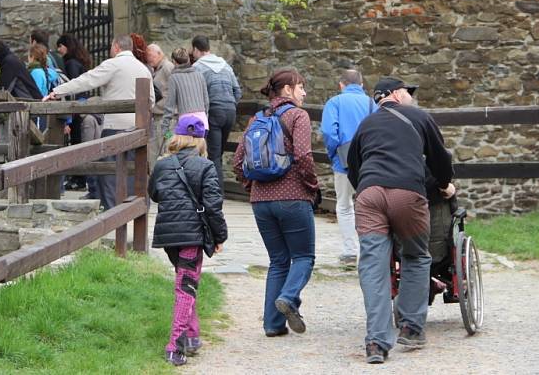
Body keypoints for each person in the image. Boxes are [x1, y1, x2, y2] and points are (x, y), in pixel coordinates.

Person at [346, 77, 455, 364]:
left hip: (368, 194)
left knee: (372, 265)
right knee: (417, 256)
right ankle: (411, 327)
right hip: (407, 193)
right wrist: (445, 184)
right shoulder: (420, 117)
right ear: (396, 94)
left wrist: (369, 188)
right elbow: (440, 160)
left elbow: (353, 169)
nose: (411, 97)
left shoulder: (366, 125)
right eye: (409, 92)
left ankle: (375, 343)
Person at [233, 69, 320, 338]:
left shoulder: (257, 118)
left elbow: (237, 162)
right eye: (300, 87)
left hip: (261, 202)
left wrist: (252, 186)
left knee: (278, 261)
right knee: (304, 257)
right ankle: (289, 298)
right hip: (293, 197)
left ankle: (272, 324)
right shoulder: (298, 115)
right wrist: (313, 186)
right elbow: (304, 155)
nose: (304, 92)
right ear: (286, 90)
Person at [149, 114, 228, 367]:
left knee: (186, 283)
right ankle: (175, 346)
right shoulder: (205, 167)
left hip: (169, 235)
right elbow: (213, 206)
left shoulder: (162, 165)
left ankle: (192, 337)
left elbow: (155, 194)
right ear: (201, 140)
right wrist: (220, 236)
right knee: (186, 287)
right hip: (192, 235)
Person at [44, 34, 155, 210]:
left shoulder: (113, 64)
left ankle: (114, 214)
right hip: (138, 128)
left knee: (109, 174)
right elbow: (151, 100)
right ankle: (137, 210)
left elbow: (87, 80)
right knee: (135, 171)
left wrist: (57, 91)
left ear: (117, 46)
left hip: (114, 127)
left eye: (112, 46)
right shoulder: (143, 69)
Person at [320, 69, 376, 266]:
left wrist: (334, 153)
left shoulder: (334, 103)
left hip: (343, 163)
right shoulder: (371, 103)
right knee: (370, 206)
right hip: (369, 162)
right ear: (361, 85)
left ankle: (350, 251)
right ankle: (371, 251)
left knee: (344, 206)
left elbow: (328, 131)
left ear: (341, 84)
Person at [191, 35, 242, 193]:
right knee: (218, 152)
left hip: (214, 111)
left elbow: (195, 93)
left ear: (195, 50)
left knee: (213, 154)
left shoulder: (198, 67)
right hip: (230, 112)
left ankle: (216, 192)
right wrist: (231, 103)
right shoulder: (225, 65)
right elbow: (237, 91)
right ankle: (215, 188)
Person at [56, 33, 93, 191]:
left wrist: (68, 118)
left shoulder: (70, 63)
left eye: (60, 46)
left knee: (76, 141)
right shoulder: (80, 62)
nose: (59, 50)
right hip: (82, 104)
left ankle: (78, 178)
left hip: (75, 107)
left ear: (67, 46)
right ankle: (79, 177)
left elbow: (72, 87)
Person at [161, 47, 209, 139]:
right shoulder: (199, 75)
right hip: (202, 124)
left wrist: (165, 131)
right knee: (200, 153)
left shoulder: (174, 78)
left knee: (184, 153)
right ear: (188, 59)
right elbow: (206, 102)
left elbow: (169, 107)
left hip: (185, 126)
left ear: (174, 61)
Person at [146, 43, 174, 166]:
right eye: (147, 56)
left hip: (166, 118)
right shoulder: (157, 69)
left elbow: (175, 89)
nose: (148, 58)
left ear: (159, 54)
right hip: (159, 117)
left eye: (151, 55)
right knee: (156, 149)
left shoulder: (168, 67)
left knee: (164, 148)